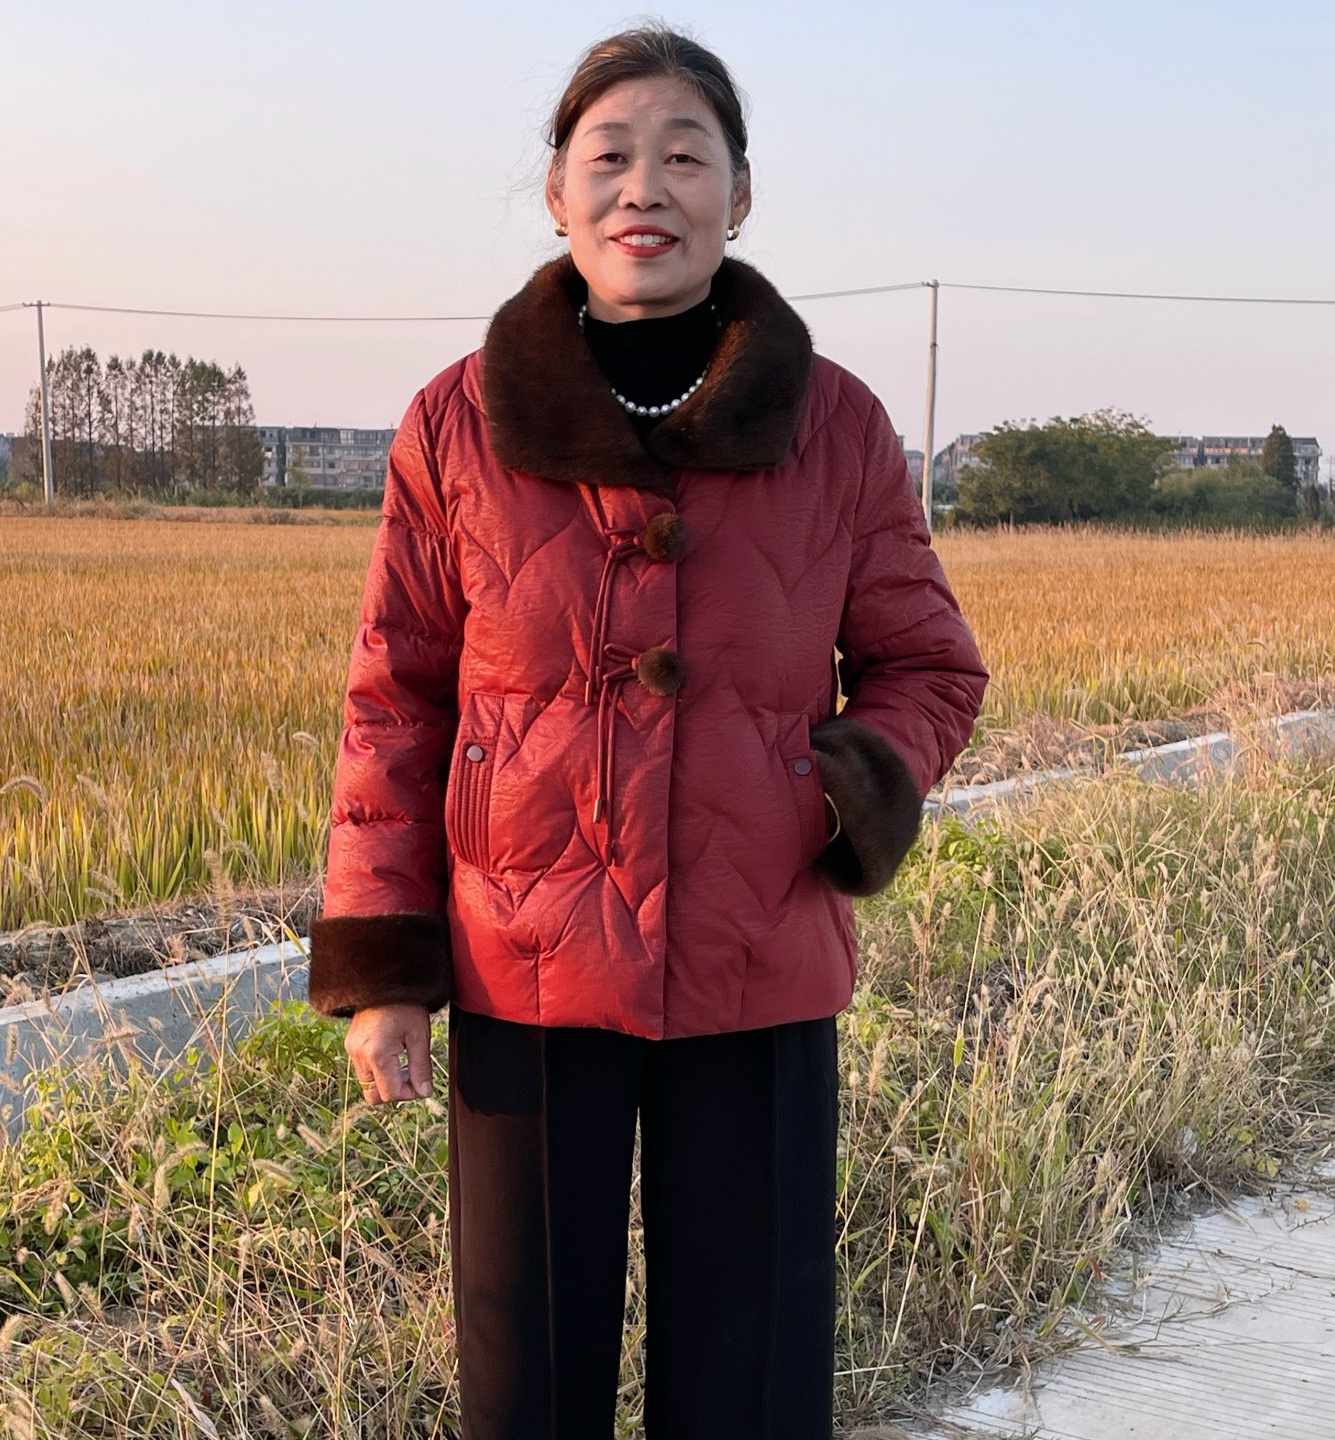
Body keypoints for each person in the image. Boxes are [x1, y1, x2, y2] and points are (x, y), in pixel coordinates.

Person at [306, 24, 987, 1440]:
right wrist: (385, 970)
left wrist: (835, 792)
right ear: (557, 191)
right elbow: (397, 703)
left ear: (740, 193)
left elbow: (929, 666)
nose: (646, 188)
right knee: (526, 1377)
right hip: (523, 961)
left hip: (757, 952)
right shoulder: (457, 425)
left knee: (751, 1378)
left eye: (687, 156)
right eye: (609, 155)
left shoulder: (836, 426)